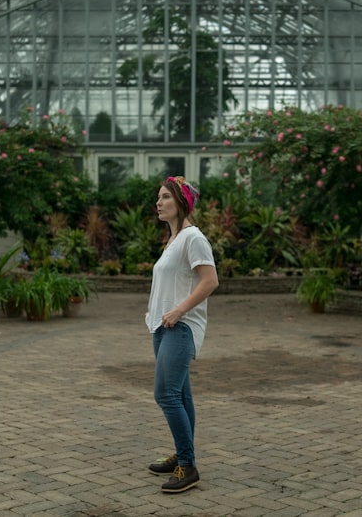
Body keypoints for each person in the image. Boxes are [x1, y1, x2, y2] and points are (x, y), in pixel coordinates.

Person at [144, 175, 219, 494]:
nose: (158, 203)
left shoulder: (193, 238)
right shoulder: (173, 240)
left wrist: (179, 311)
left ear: (181, 202)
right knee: (181, 395)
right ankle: (182, 451)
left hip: (181, 327)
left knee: (166, 394)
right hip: (162, 327)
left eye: (165, 197)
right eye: (158, 198)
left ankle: (187, 466)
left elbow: (210, 281)